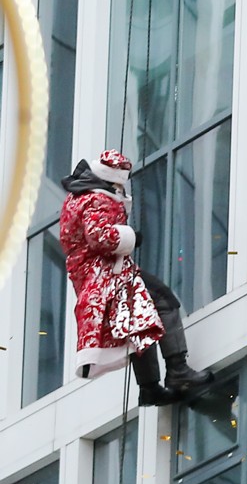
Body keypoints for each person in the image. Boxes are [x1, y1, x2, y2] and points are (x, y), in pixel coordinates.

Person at [59, 150, 212, 406]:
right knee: (162, 300)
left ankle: (150, 387)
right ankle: (177, 369)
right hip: (106, 273)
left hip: (95, 274)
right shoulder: (97, 198)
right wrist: (129, 237)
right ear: (112, 179)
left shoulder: (81, 196)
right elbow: (99, 236)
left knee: (136, 320)